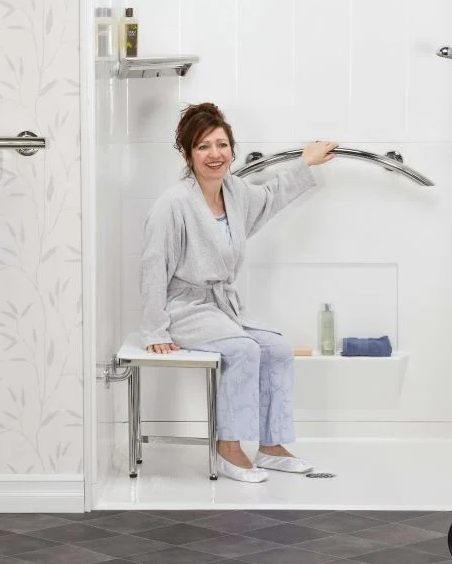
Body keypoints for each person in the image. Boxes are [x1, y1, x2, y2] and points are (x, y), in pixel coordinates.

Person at [139, 102, 338, 483]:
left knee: (277, 348)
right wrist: (155, 330)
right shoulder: (174, 204)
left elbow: (271, 196)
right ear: (187, 154)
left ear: (232, 149)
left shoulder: (235, 192)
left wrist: (305, 162)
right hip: (184, 308)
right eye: (202, 146)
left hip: (223, 306)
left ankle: (271, 446)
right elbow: (152, 266)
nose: (214, 154)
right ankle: (228, 448)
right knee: (245, 350)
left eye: (221, 144)